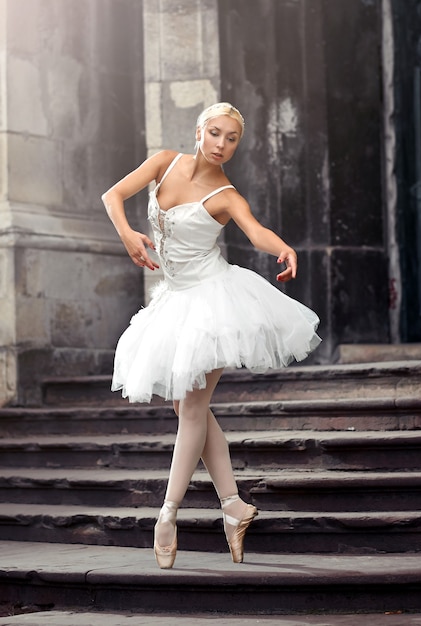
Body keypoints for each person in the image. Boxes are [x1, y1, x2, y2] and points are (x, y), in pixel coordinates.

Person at [101, 102, 321, 569]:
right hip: (174, 300)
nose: (222, 145)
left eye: (232, 139)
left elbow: (255, 230)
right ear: (199, 131)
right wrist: (127, 234)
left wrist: (282, 246)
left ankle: (167, 515)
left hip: (213, 301)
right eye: (216, 134)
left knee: (193, 408)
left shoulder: (225, 194)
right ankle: (234, 506)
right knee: (187, 408)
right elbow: (112, 196)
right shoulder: (165, 162)